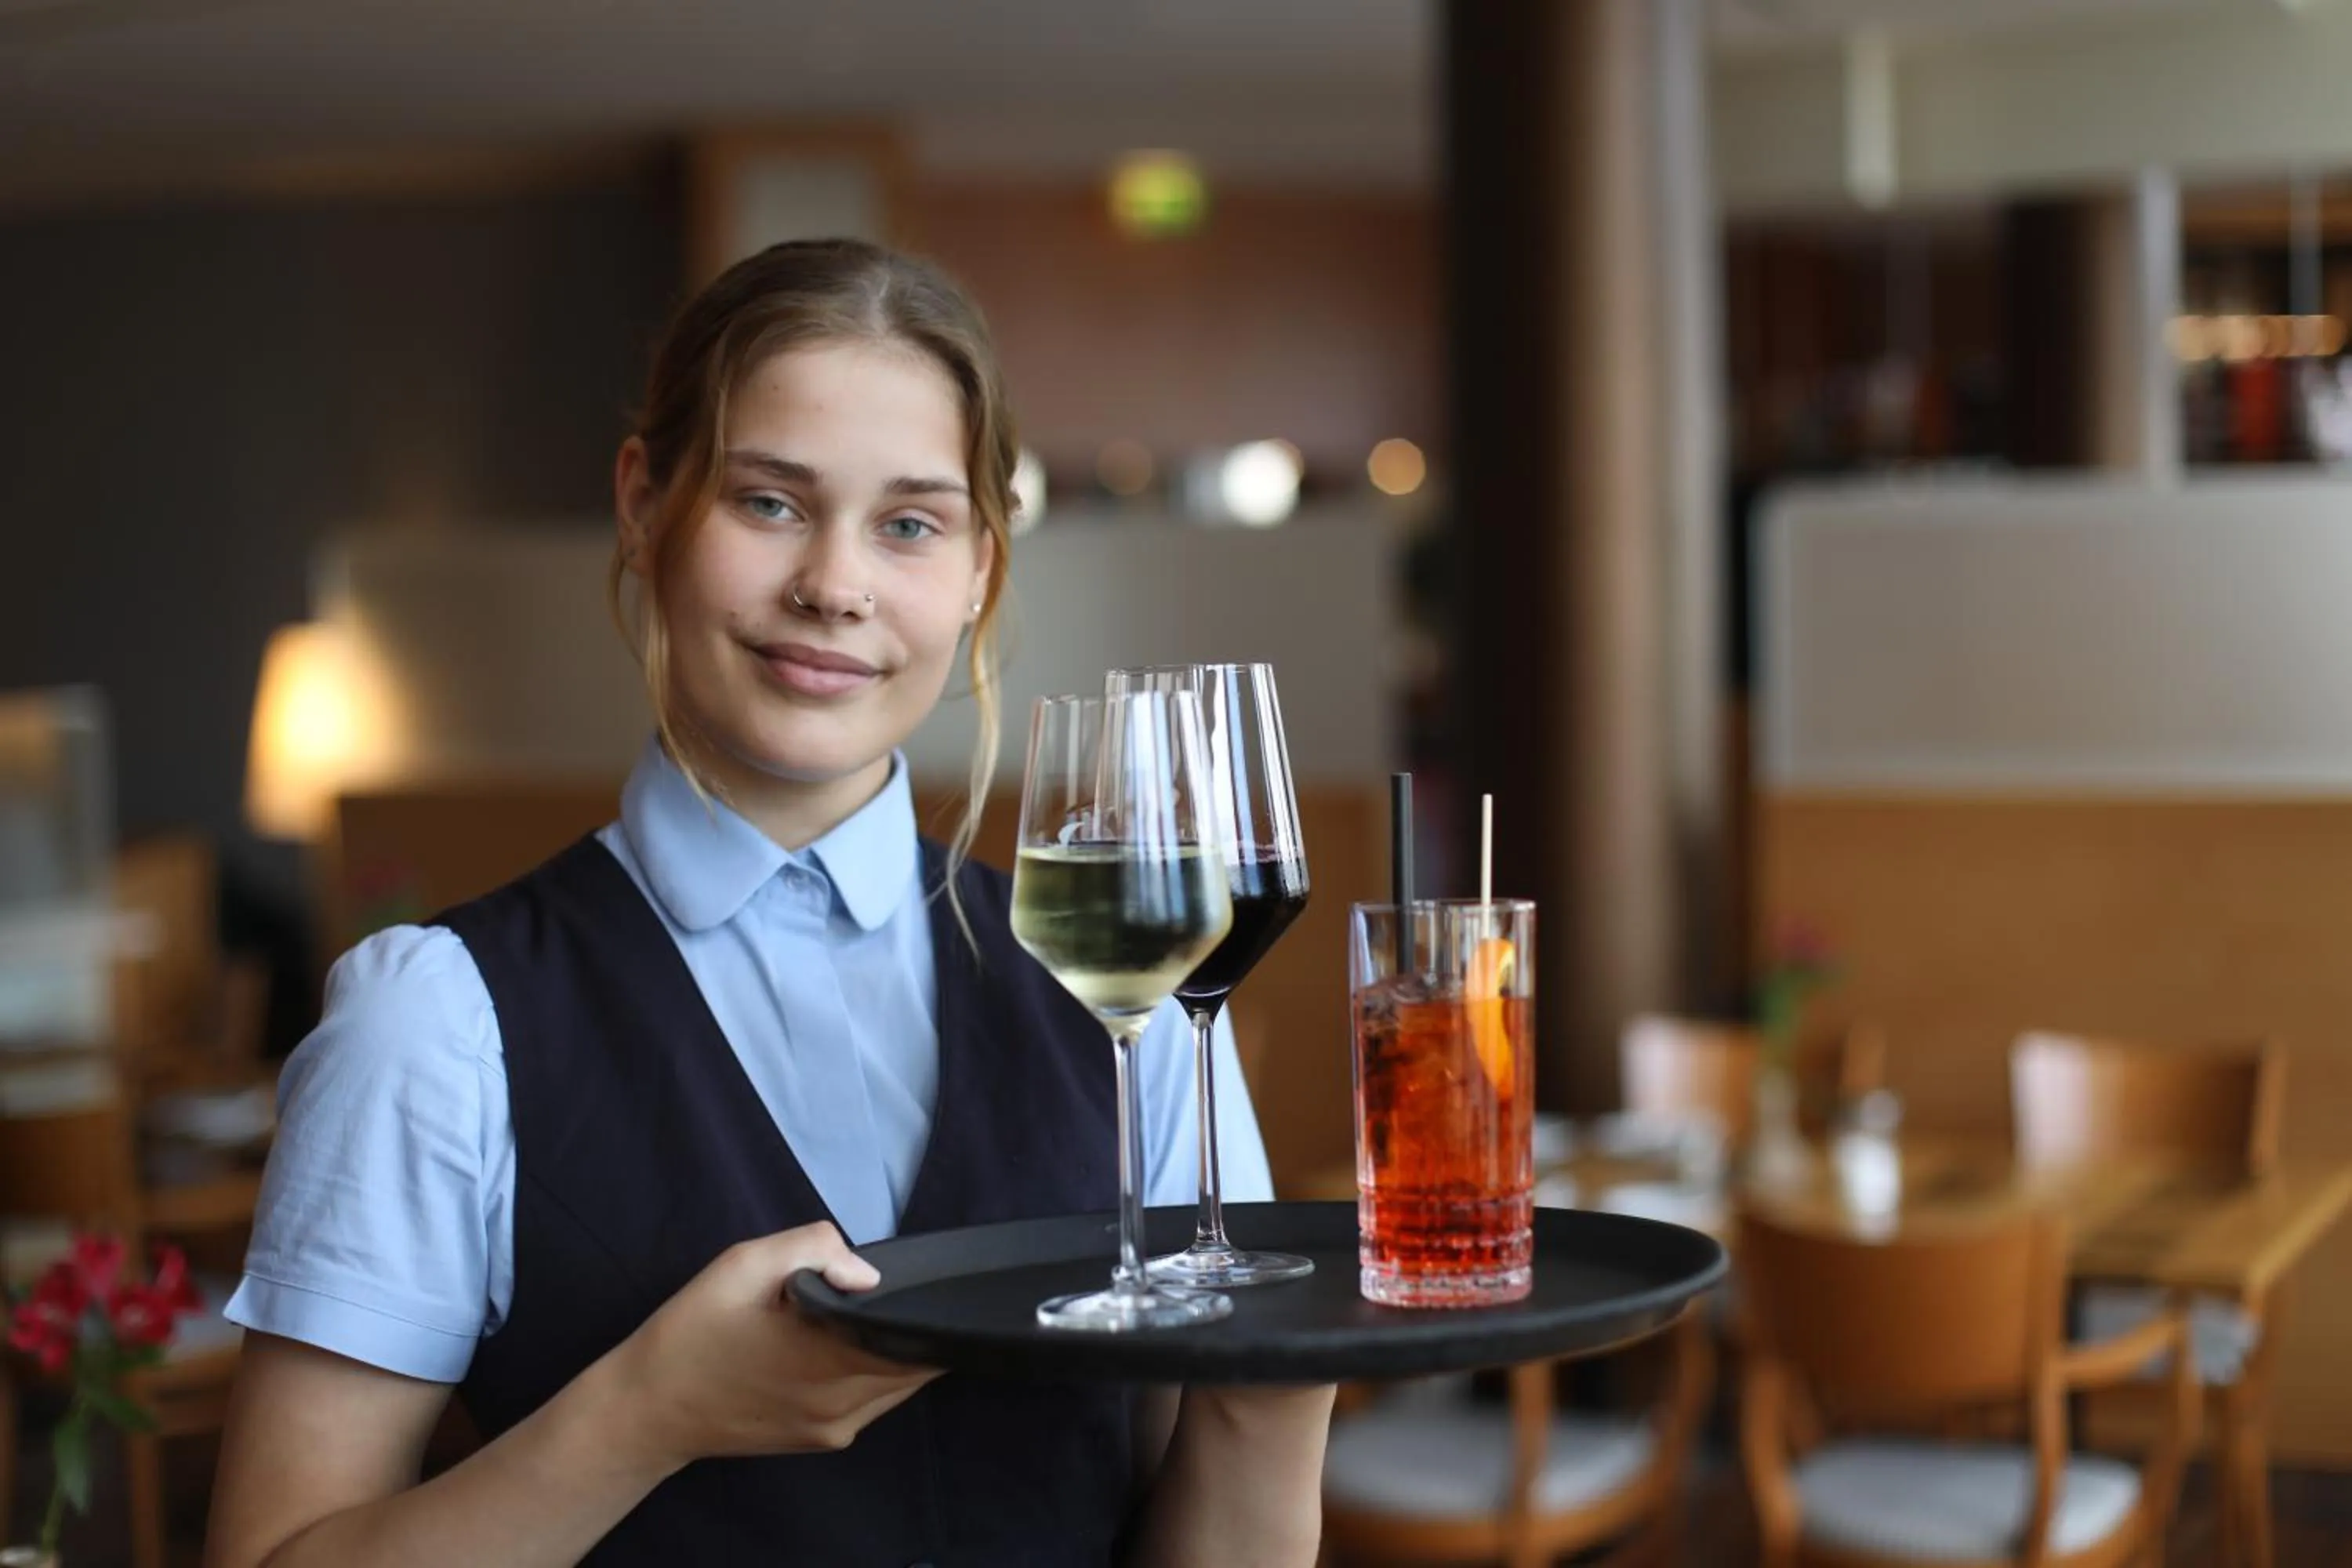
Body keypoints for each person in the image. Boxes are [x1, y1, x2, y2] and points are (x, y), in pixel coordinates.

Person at [206, 238, 1334, 1568]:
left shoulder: (1126, 992)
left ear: (980, 568)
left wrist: (1284, 1400)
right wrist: (643, 1416)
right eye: (771, 503)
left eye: (910, 523)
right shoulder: (437, 1022)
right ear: (644, 503)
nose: (836, 585)